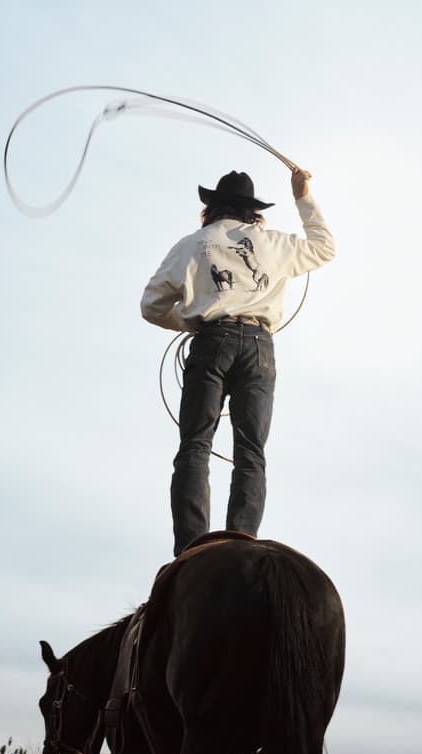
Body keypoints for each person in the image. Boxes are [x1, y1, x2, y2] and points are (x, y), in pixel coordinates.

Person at [141, 167, 334, 555]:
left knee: (195, 445)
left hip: (212, 341)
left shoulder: (192, 244)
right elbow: (324, 247)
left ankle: (192, 550)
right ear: (253, 211)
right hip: (260, 347)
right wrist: (303, 196)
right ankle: (241, 541)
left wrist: (191, 321)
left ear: (210, 208)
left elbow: (151, 305)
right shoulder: (274, 243)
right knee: (250, 452)